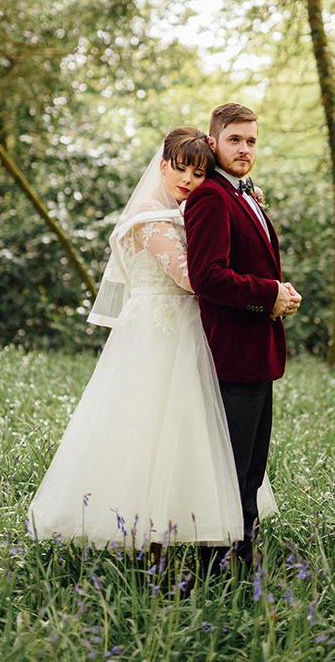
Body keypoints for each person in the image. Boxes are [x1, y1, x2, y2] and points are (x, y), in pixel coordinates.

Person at [28, 127, 270, 551]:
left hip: (189, 333)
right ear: (162, 166)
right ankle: (145, 528)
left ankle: (194, 526)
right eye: (181, 171)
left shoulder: (179, 210)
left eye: (199, 174)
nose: (190, 182)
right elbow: (193, 278)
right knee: (149, 427)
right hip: (160, 333)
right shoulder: (149, 218)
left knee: (195, 432)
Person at [184, 103, 302, 568]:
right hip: (232, 353)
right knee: (231, 470)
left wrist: (280, 293)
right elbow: (208, 276)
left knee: (251, 469)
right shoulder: (210, 196)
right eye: (235, 139)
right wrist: (267, 294)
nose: (245, 149)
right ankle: (219, 566)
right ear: (213, 143)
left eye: (251, 140)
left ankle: (243, 557)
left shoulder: (243, 193)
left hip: (257, 351)